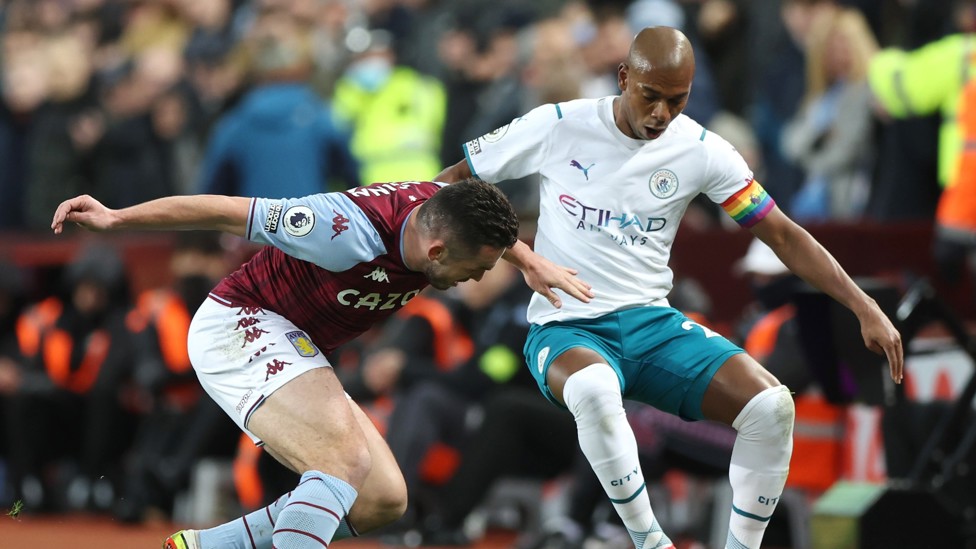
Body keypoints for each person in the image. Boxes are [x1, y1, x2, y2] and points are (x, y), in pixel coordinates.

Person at [436, 26, 903, 549]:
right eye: (650, 96)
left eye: (676, 100)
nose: (661, 113)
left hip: (651, 325)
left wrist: (864, 306)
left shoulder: (703, 151)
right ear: (623, 77)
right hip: (566, 327)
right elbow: (450, 185)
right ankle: (650, 541)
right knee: (594, 390)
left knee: (772, 407)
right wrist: (522, 256)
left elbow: (784, 236)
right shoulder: (560, 124)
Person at [50, 179, 581, 549]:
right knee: (343, 463)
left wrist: (528, 258)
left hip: (297, 341)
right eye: (479, 266)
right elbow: (227, 210)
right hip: (242, 324)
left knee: (382, 499)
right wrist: (118, 218)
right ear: (438, 250)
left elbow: (472, 199)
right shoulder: (340, 229)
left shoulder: (446, 210)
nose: (480, 277)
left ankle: (214, 545)